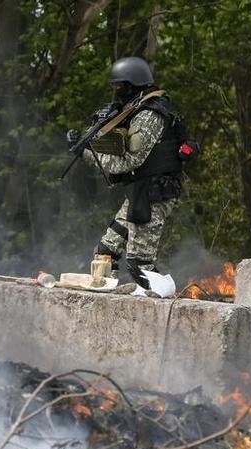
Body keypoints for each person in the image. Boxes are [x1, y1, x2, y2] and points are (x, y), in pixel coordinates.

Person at [68, 56, 194, 289]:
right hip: (141, 192)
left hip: (155, 194)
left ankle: (172, 306)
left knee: (139, 265)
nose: (118, 91)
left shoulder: (150, 115)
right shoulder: (134, 109)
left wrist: (87, 154)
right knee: (105, 254)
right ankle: (106, 302)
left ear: (134, 85)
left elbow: (128, 161)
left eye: (121, 86)